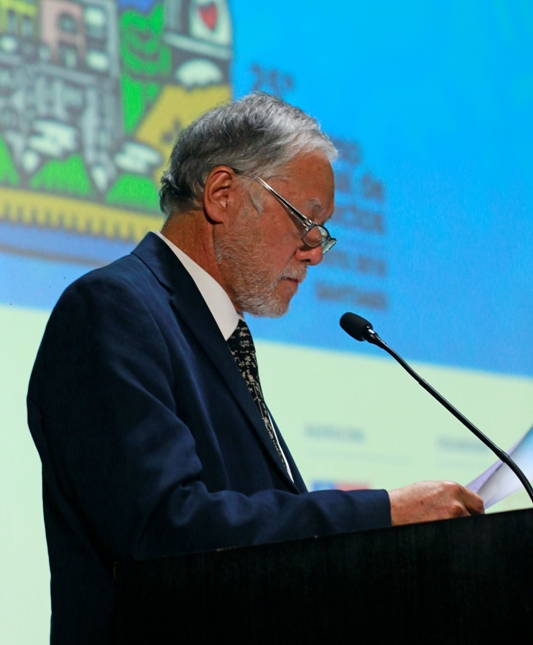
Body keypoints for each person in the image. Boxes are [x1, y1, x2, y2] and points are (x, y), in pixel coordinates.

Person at [27, 93, 483, 644]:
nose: (315, 251)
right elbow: (166, 528)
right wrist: (382, 515)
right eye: (305, 220)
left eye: (323, 231)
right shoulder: (111, 310)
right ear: (222, 194)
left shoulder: (219, 335)